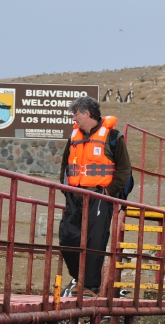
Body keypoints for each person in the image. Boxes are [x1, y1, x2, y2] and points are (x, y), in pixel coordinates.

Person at [59, 96, 131, 297]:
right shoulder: (73, 136)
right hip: (74, 196)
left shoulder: (113, 137)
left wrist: (108, 192)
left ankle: (91, 287)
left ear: (87, 113)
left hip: (99, 196)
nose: (74, 118)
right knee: (67, 238)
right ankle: (78, 277)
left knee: (95, 241)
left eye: (76, 114)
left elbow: (124, 169)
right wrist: (65, 189)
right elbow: (65, 165)